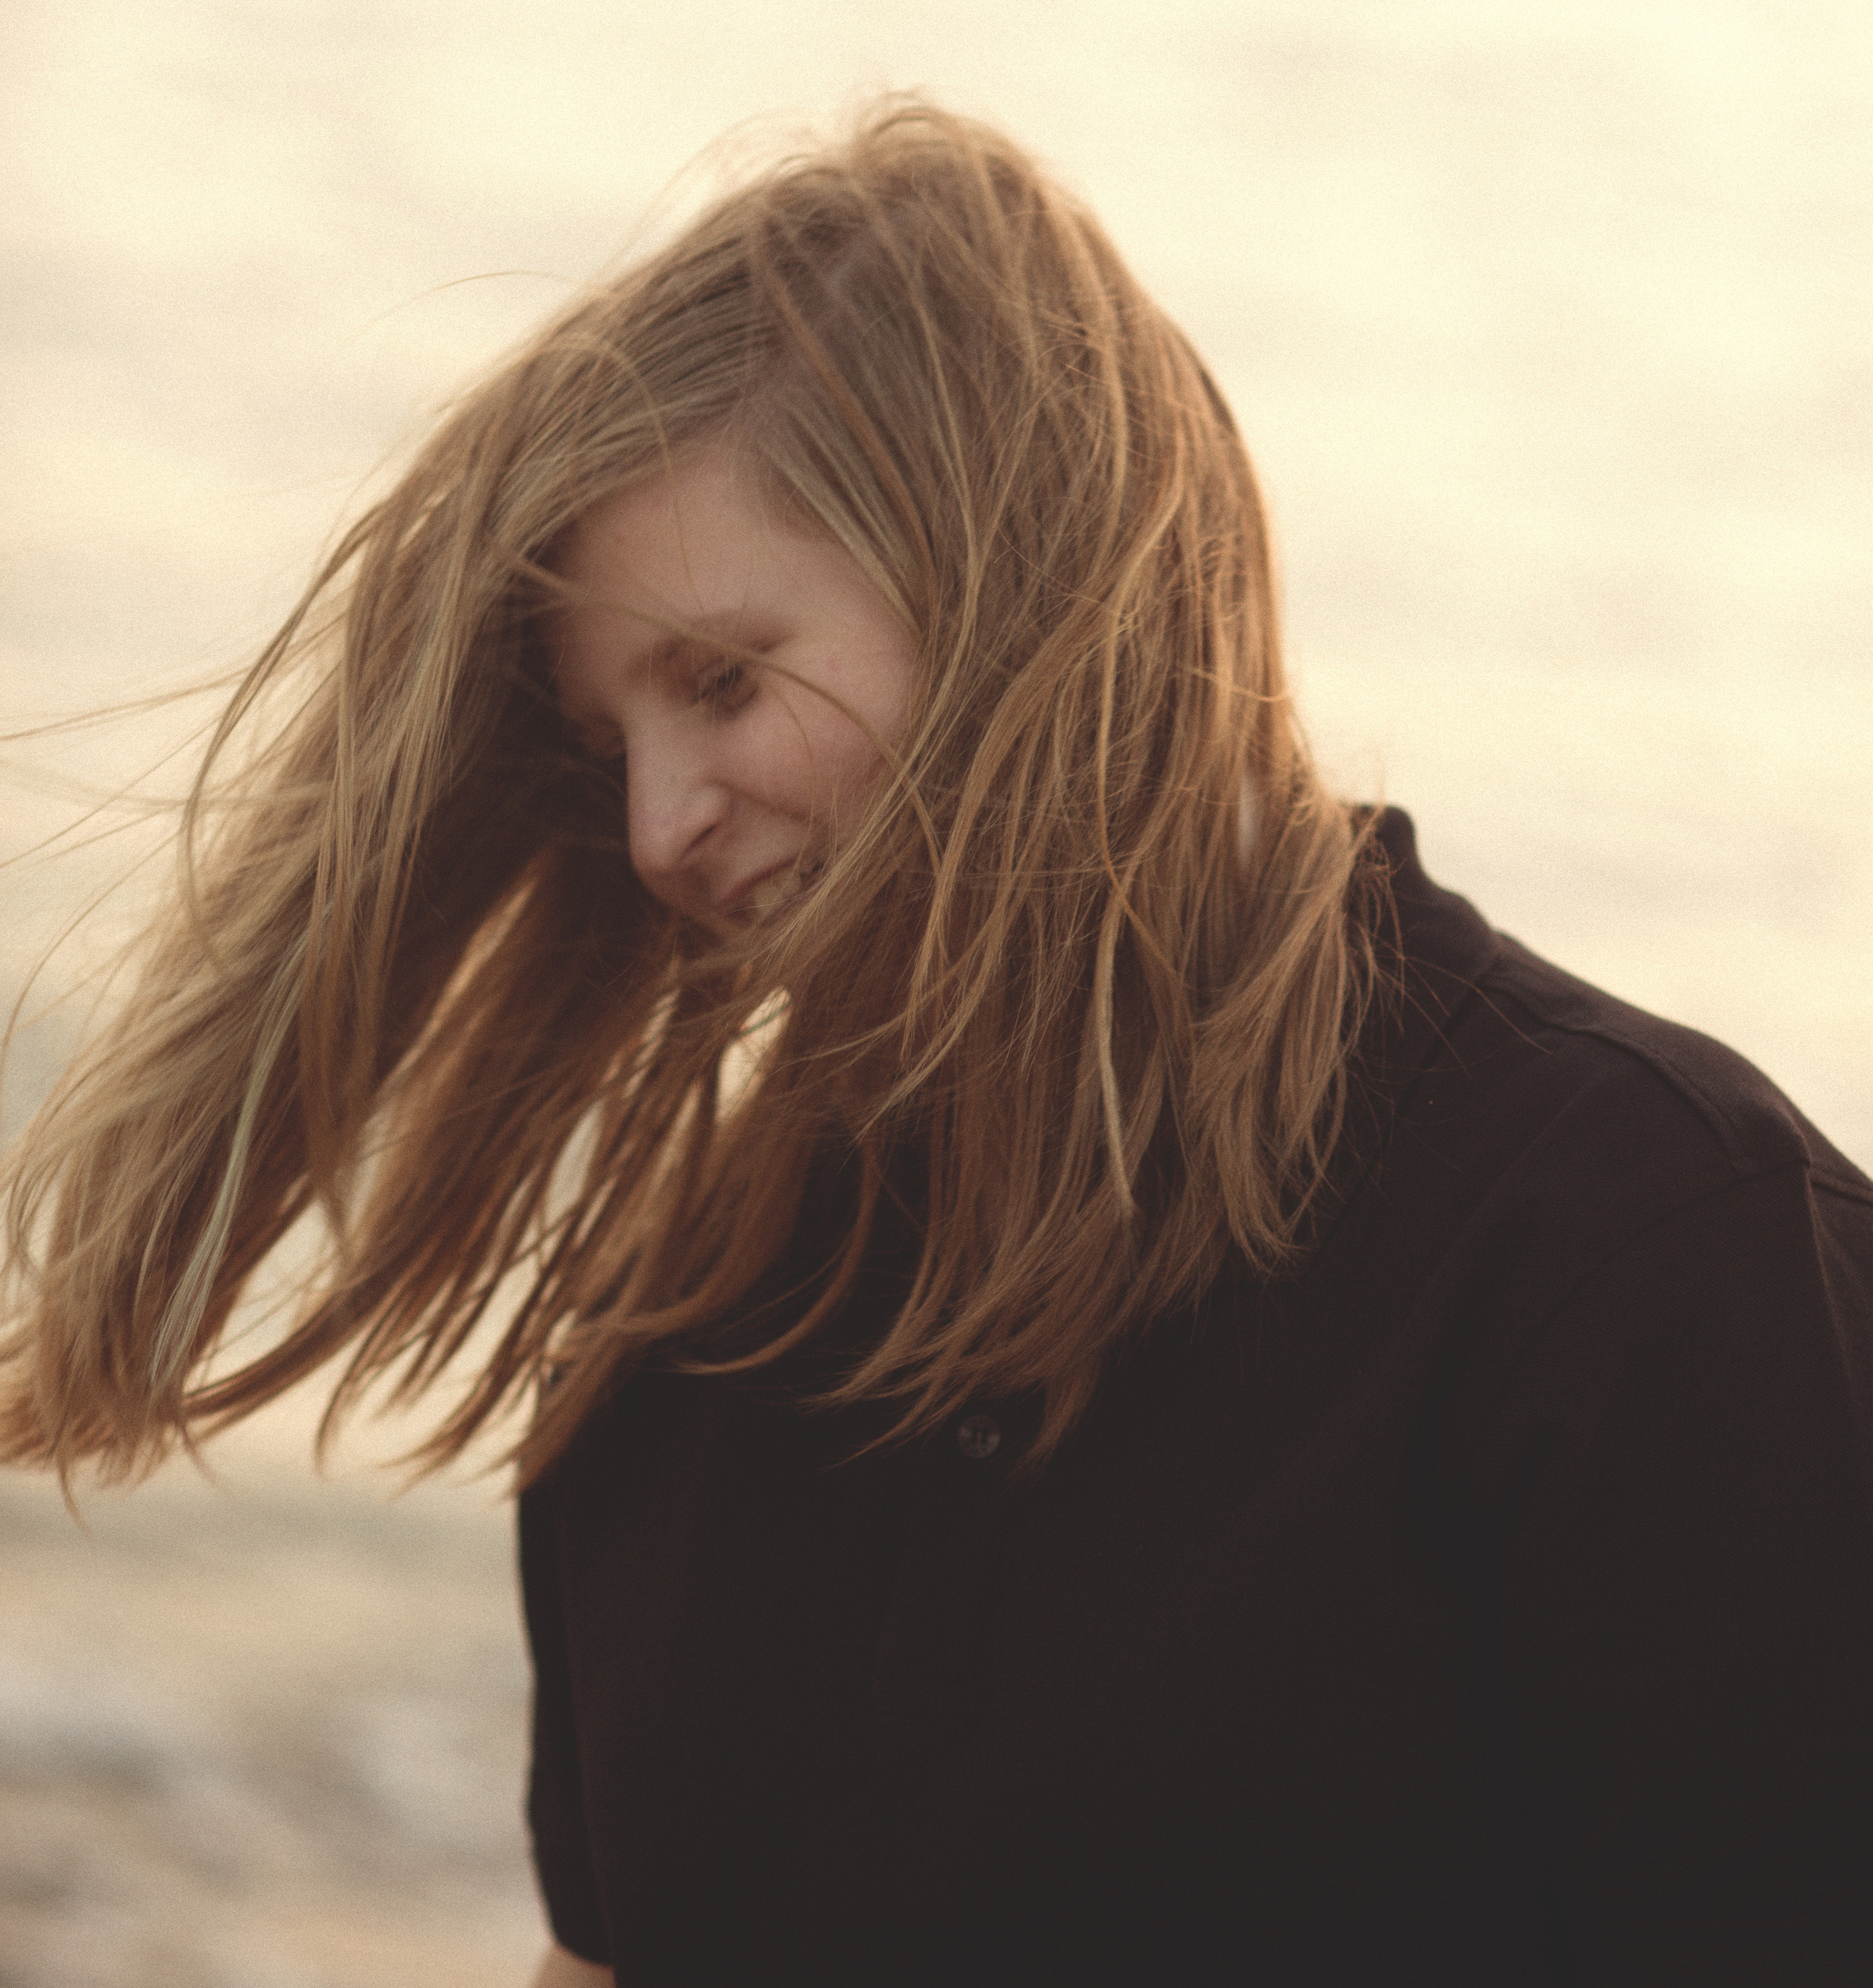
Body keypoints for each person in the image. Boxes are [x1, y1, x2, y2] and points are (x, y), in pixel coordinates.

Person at [3, 102, 1870, 1986]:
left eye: (724, 681)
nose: (660, 829)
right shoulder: (684, 1336)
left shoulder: (1647, 1260)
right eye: (606, 752)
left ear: (1010, 579)